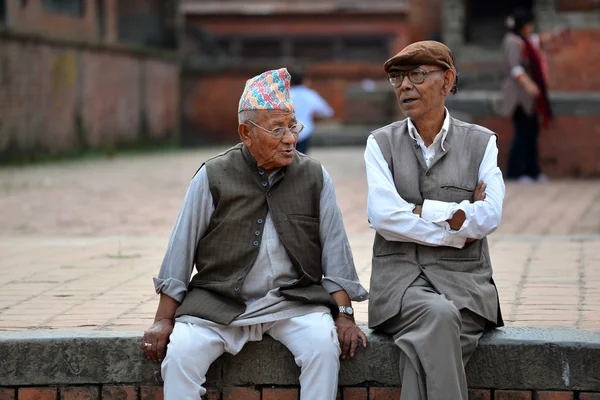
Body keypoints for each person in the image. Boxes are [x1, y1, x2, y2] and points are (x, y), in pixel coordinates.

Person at [141, 68, 368, 400]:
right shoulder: (213, 174)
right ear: (246, 133)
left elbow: (337, 253)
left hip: (294, 302)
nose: (290, 138)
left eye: (293, 126)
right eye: (277, 129)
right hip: (218, 303)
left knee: (322, 348)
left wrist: (345, 315)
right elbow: (181, 247)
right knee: (180, 357)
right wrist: (163, 319)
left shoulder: (315, 176)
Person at [364, 41, 505, 400]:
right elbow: (383, 216)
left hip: (466, 286)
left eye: (417, 74)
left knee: (425, 344)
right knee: (439, 316)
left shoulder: (481, 142)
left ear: (447, 80)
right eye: (397, 77)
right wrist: (453, 223)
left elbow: (488, 214)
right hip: (400, 286)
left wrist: (414, 210)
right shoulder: (380, 144)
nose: (405, 86)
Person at [502, 7, 571, 183]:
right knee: (522, 133)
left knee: (532, 133)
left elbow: (540, 39)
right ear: (522, 26)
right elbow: (515, 68)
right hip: (519, 97)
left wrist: (557, 34)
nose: (532, 28)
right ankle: (515, 172)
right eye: (529, 25)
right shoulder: (513, 42)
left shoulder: (526, 40)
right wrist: (529, 83)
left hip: (531, 99)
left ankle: (533, 171)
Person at [289, 71, 334, 154]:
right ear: (305, 81)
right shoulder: (310, 94)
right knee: (301, 161)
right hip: (304, 132)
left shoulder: (286, 95)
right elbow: (327, 112)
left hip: (287, 133)